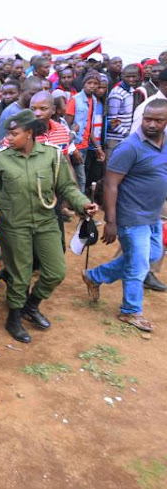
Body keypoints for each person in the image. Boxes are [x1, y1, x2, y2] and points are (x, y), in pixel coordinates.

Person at [0, 110, 97, 343]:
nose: (8, 137)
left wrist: (83, 204)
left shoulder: (52, 156)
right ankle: (14, 317)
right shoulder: (0, 159)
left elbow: (67, 187)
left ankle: (31, 304)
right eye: (8, 132)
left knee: (56, 271)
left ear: (29, 133)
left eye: (14, 133)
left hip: (46, 222)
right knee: (21, 274)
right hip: (15, 225)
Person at [82, 99, 167, 332]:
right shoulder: (129, 147)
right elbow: (110, 184)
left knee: (153, 255)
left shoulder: (165, 142)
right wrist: (111, 221)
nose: (151, 124)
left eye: (158, 120)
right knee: (138, 265)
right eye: (147, 119)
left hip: (153, 214)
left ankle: (95, 276)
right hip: (131, 215)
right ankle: (130, 311)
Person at [65, 71, 106, 193]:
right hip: (74, 147)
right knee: (79, 179)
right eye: (89, 83)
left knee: (80, 178)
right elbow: (66, 126)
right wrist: (73, 148)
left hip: (85, 146)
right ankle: (80, 207)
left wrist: (97, 147)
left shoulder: (93, 100)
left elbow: (90, 126)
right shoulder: (75, 100)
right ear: (84, 84)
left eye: (95, 84)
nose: (92, 86)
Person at [0, 76, 44, 144]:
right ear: (22, 92)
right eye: (32, 94)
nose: (36, 98)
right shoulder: (10, 112)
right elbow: (0, 141)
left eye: (39, 95)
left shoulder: (37, 110)